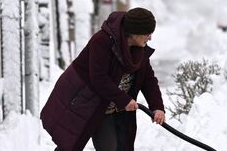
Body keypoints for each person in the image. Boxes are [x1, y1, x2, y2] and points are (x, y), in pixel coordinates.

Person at [41, 8, 166, 151]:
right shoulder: (102, 41)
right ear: (134, 32)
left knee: (121, 146)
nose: (150, 38)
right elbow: (99, 78)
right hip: (85, 101)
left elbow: (148, 80)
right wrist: (124, 100)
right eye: (147, 34)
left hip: (115, 107)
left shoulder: (139, 50)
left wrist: (157, 107)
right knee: (71, 145)